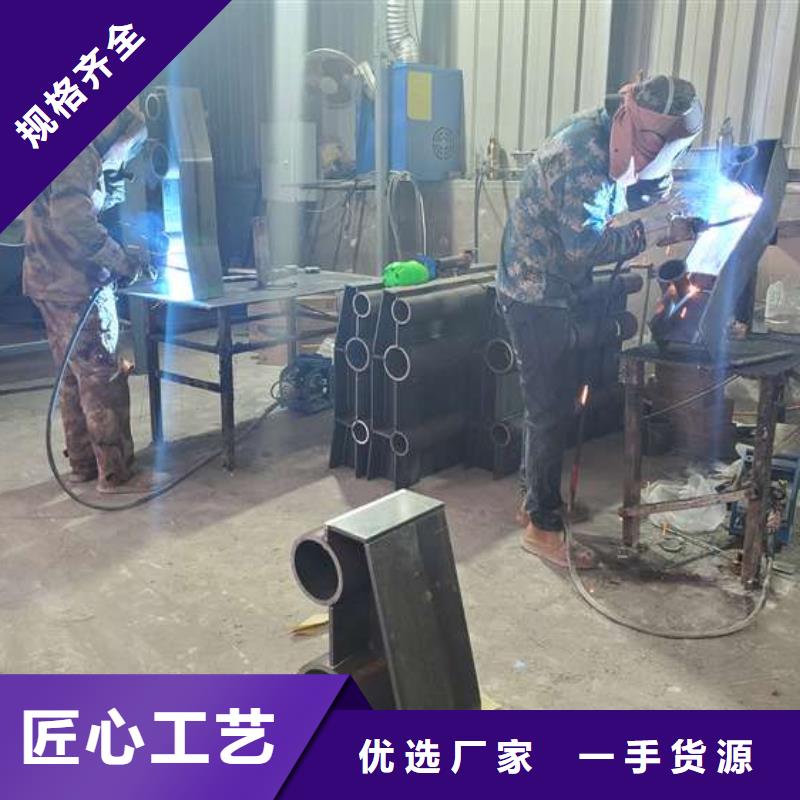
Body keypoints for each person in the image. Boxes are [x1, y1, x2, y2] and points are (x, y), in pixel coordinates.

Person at [496, 75, 703, 568]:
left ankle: (532, 501)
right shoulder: (584, 155)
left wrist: (646, 196)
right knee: (549, 411)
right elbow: (583, 248)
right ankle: (543, 528)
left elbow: (605, 199)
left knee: (546, 407)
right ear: (644, 131)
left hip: (549, 287)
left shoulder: (605, 128)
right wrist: (654, 230)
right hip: (535, 292)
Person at [23, 101, 150, 493]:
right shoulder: (79, 153)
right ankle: (113, 471)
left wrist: (108, 188)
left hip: (47, 279)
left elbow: (66, 205)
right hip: (76, 284)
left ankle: (81, 465)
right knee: (102, 377)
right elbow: (73, 220)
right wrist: (121, 260)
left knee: (73, 377)